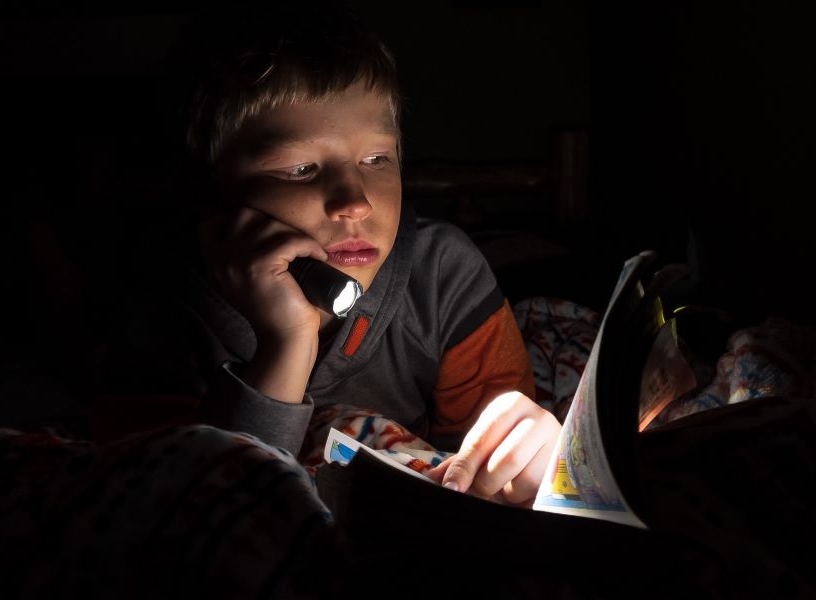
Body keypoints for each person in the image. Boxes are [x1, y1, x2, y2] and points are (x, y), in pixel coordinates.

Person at [94, 3, 560, 506]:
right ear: (212, 194)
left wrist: (526, 458)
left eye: (376, 159)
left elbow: (496, 488)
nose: (356, 201)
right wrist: (286, 342)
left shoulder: (443, 274)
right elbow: (205, 516)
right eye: (300, 169)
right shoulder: (159, 310)